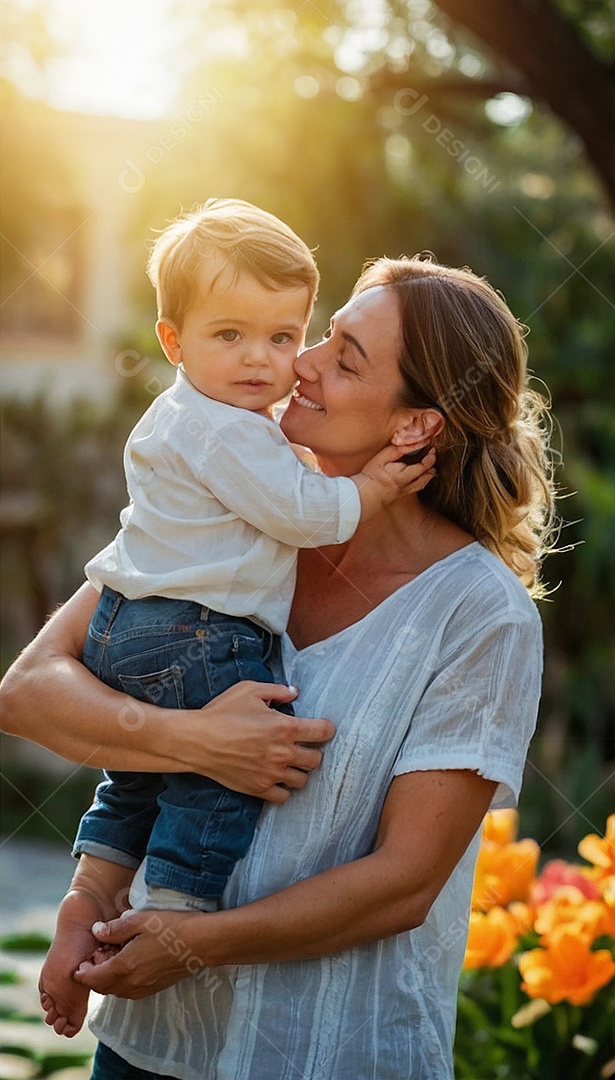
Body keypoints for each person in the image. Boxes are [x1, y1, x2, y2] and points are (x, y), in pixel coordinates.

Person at [0, 252, 555, 1080]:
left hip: (330, 1054)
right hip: (148, 1043)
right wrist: (188, 746)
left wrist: (193, 946)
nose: (301, 363)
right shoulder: (226, 501)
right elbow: (28, 693)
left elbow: (403, 884)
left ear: (414, 428)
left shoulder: (477, 617)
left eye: (344, 357)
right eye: (323, 336)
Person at [36, 198, 435, 1034]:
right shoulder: (233, 434)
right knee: (225, 774)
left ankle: (89, 898)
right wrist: (368, 489)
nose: (265, 361)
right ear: (172, 341)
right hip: (200, 636)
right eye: (230, 336)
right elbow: (301, 514)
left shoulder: (186, 415)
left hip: (125, 622)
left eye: (283, 337)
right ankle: (175, 901)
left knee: (136, 781)